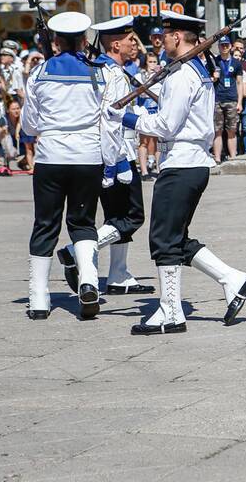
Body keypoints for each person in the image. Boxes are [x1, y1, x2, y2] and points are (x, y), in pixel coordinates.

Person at [119, 11, 246, 334]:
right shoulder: (190, 69)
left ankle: (170, 310)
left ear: (177, 37)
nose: (161, 40)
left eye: (165, 35)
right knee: (176, 237)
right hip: (190, 163)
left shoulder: (182, 75)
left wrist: (129, 119)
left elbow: (166, 125)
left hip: (181, 162)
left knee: (164, 239)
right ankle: (232, 280)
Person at [21, 11, 122, 320]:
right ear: (82, 40)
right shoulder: (101, 73)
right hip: (87, 156)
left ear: (55, 41)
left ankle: (39, 298)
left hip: (51, 157)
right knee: (83, 222)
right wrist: (110, 160)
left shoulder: (39, 73)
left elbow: (30, 123)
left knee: (45, 224)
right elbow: (110, 123)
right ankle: (89, 281)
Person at [56, 16, 154, 297]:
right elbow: (111, 121)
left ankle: (119, 274)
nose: (135, 45)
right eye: (130, 40)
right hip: (116, 154)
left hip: (108, 154)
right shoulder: (111, 73)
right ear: (114, 43)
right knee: (132, 216)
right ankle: (76, 251)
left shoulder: (106, 68)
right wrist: (118, 163)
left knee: (117, 214)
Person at [211, 36, 244, 162]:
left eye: (226, 45)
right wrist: (214, 77)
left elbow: (240, 83)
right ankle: (218, 158)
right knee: (217, 130)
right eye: (222, 45)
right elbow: (209, 80)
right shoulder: (214, 61)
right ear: (219, 47)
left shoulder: (236, 63)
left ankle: (233, 158)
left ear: (230, 46)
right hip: (217, 99)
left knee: (231, 130)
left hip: (231, 99)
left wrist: (240, 102)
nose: (224, 47)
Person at [135, 52, 161, 178]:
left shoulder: (161, 76)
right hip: (144, 110)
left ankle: (159, 169)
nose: (152, 64)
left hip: (157, 109)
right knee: (143, 141)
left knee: (157, 141)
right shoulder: (138, 77)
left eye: (154, 62)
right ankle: (144, 171)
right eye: (150, 62)